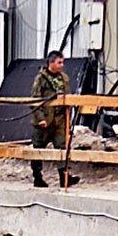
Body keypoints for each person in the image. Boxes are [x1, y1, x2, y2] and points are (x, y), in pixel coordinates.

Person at [30, 53, 75, 187]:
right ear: (51, 63)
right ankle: (37, 177)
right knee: (38, 149)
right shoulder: (41, 79)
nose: (62, 65)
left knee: (62, 147)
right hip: (45, 120)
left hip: (59, 119)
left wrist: (68, 120)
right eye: (59, 62)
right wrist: (40, 118)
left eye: (62, 62)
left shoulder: (63, 79)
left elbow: (68, 98)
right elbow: (35, 100)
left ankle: (64, 177)